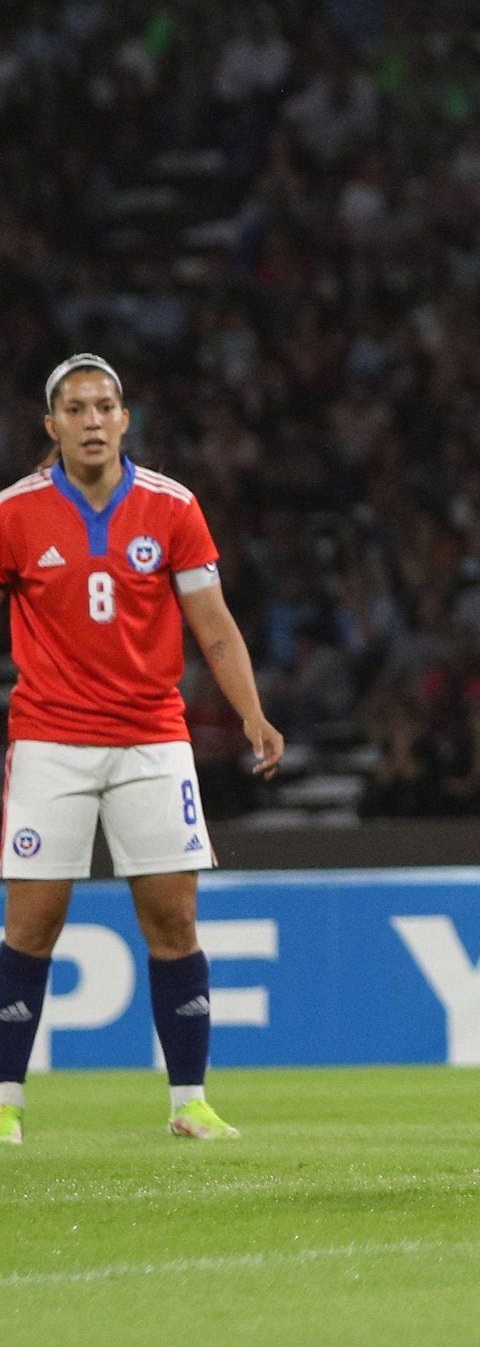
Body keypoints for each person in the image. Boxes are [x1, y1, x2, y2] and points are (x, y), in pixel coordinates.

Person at [0, 355, 284, 1145]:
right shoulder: (14, 514)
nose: (93, 420)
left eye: (106, 406)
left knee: (172, 920)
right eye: (76, 408)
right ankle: (3, 1104)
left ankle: (189, 1101)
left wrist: (252, 715)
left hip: (152, 741)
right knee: (31, 925)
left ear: (126, 419)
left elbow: (216, 627)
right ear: (50, 425)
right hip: (50, 741)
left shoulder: (173, 508)